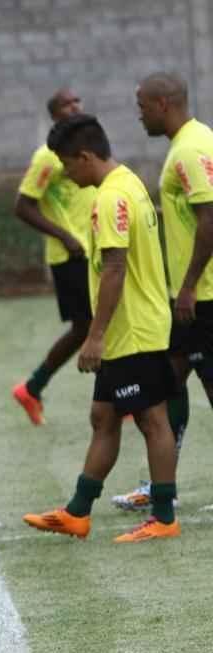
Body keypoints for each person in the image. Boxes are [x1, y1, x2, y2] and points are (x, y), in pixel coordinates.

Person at [23, 114, 178, 543]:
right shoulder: (129, 183)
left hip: (133, 329)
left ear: (86, 156)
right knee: (103, 417)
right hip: (134, 325)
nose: (66, 174)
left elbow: (114, 266)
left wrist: (95, 334)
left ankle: (164, 517)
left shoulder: (110, 198)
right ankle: (77, 513)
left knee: (152, 419)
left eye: (68, 165)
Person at [110, 72, 213, 512]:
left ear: (164, 103)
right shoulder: (189, 143)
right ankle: (159, 485)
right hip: (188, 296)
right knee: (167, 384)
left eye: (142, 106)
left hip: (203, 295)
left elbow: (210, 218)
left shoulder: (191, 149)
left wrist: (188, 286)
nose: (139, 115)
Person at [11, 89, 96, 424]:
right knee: (88, 328)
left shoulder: (86, 152)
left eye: (78, 101)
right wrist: (65, 236)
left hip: (94, 249)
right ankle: (33, 387)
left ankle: (33, 387)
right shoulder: (48, 157)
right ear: (55, 114)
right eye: (66, 104)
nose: (75, 106)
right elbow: (22, 206)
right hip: (70, 255)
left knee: (92, 327)